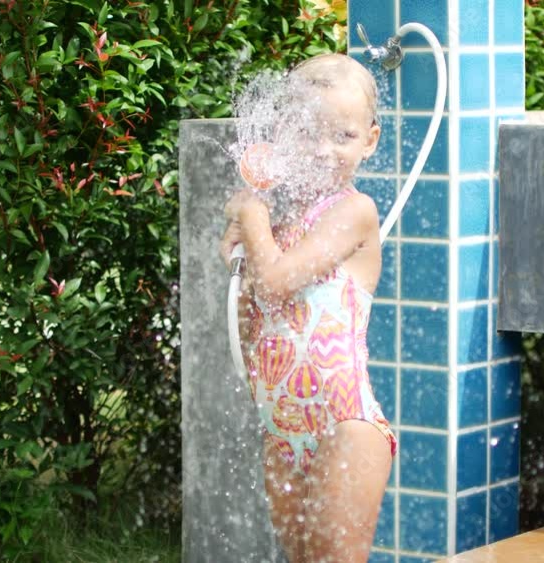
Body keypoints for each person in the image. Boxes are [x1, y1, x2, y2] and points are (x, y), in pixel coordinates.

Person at [220, 53, 397, 563]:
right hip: (282, 430)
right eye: (308, 132)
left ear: (370, 140)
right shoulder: (279, 227)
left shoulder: (353, 211)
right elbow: (249, 326)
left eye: (342, 136)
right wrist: (235, 260)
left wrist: (250, 216)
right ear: (284, 135)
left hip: (344, 426)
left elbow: (275, 284)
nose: (323, 149)